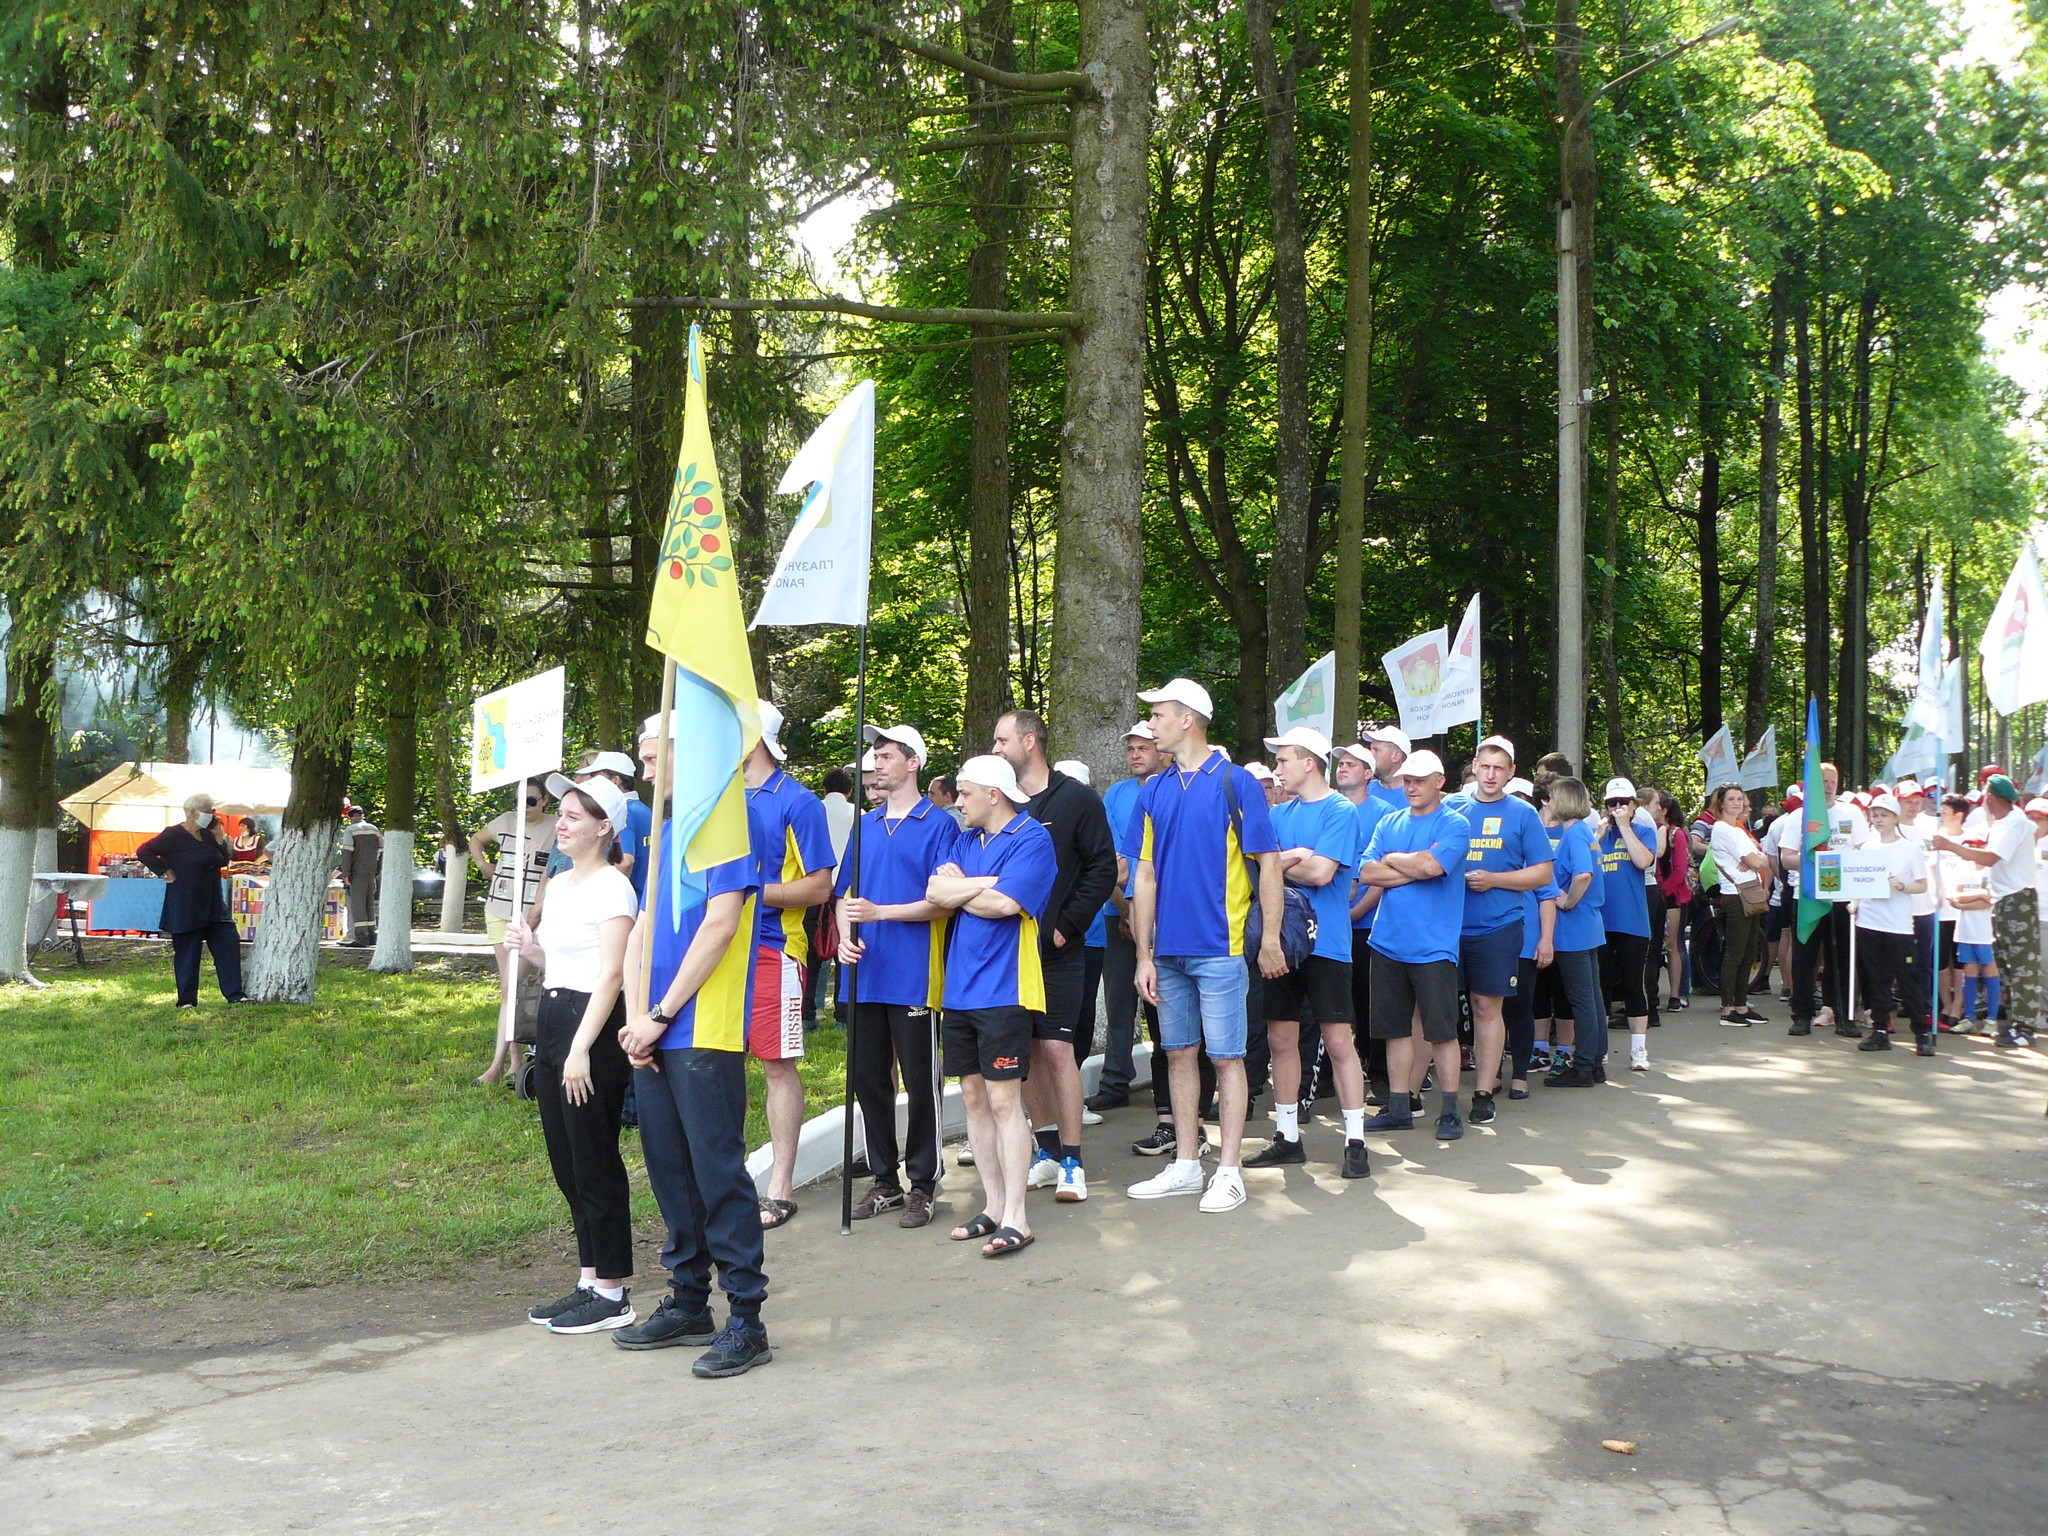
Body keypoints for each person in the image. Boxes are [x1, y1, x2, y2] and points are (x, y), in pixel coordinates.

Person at [612, 720, 772, 1378]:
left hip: (699, 1026)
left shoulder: (727, 824)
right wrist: (633, 1022)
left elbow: (721, 924)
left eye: (655, 759)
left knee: (716, 1173)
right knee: (670, 1169)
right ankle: (687, 1299)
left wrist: (660, 1013)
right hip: (653, 1029)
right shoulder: (669, 833)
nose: (647, 773)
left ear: (689, 753)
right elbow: (645, 929)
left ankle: (746, 1317)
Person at [1123, 678, 1285, 1214]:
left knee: (1228, 1059)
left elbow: (1270, 866)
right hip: (1167, 952)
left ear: (1187, 718)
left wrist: (1270, 940)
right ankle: (1188, 1165)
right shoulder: (1153, 790)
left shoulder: (1235, 784)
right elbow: (1143, 875)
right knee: (1179, 1055)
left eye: (1159, 715)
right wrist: (1143, 954)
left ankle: (1229, 1170)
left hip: (1221, 946)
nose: (1151, 725)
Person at [510, 772, 642, 1333]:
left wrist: (583, 1049)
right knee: (566, 1161)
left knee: (594, 1158)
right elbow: (560, 967)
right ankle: (589, 1277)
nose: (559, 824)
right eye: (559, 813)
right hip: (556, 1020)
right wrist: (530, 949)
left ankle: (613, 1291)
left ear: (603, 827)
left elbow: (611, 974)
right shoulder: (560, 884)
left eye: (572, 816)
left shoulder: (614, 887)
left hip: (594, 1028)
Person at [924, 755, 1059, 1257]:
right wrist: (985, 884)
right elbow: (936, 891)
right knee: (975, 1101)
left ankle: (1018, 1218)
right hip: (959, 991)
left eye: (964, 793)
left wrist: (971, 889)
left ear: (993, 794)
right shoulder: (966, 840)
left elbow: (1006, 906)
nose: (957, 802)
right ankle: (994, 1207)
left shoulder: (1032, 839)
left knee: (1005, 1103)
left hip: (1005, 991)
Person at [990, 712, 1115, 1202]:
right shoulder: (1005, 805)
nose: (996, 748)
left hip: (1060, 953)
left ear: (1029, 741)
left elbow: (1103, 868)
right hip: (1011, 954)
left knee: (1060, 1050)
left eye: (1002, 741)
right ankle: (1042, 1151)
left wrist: (1065, 927)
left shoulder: (1078, 799)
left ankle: (1071, 1160)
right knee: (1029, 1055)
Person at [836, 724, 954, 1227]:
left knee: (920, 1078)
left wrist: (881, 914)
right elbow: (846, 894)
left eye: (886, 756)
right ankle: (884, 1178)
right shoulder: (863, 825)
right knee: (868, 1079)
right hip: (864, 973)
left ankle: (924, 1181)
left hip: (914, 974)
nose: (875, 764)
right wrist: (843, 933)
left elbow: (942, 902)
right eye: (874, 756)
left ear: (913, 763)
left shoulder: (940, 825)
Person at [1243, 728, 1369, 1177]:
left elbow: (1319, 873)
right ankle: (1288, 1137)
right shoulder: (1280, 814)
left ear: (1309, 762)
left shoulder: (1340, 810)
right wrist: (1293, 856)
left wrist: (1286, 859)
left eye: (1284, 760)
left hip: (1329, 944)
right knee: (1281, 1039)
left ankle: (1356, 1141)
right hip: (1280, 940)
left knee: (1338, 1041)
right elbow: (1260, 871)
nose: (1277, 770)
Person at [741, 700, 837, 1230]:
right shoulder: (721, 798)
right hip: (720, 946)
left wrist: (750, 895)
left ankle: (780, 1186)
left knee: (777, 1065)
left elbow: (821, 886)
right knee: (718, 1062)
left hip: (776, 948)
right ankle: (730, 1180)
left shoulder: (799, 802)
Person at [1355, 749, 1474, 1138]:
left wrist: (1396, 861)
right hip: (1387, 942)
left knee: (1441, 1031)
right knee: (1394, 1030)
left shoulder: (1454, 823)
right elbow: (1367, 871)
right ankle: (1398, 1106)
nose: (1411, 786)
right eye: (1407, 780)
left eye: (1420, 780)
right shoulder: (1390, 820)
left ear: (1439, 782)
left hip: (1434, 945)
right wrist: (1412, 866)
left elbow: (1433, 867)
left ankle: (1452, 1110)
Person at [1444, 735, 1555, 1119]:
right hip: (1446, 925)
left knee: (1486, 1007)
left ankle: (1483, 1094)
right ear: (1474, 766)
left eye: (1499, 768)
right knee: (1437, 1010)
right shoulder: (1450, 806)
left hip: (1498, 926)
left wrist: (1495, 879)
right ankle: (1412, 1095)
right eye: (1485, 766)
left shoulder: (1523, 815)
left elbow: (1543, 873)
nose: (1490, 775)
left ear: (1511, 773)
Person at [1090, 725, 1167, 1122]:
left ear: (1162, 749)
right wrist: (1125, 910)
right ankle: (1115, 1082)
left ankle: (1169, 1087)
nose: (1135, 754)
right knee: (1120, 1002)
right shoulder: (1117, 794)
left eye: (1143, 747)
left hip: (1162, 915)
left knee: (1162, 1005)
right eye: (1131, 749)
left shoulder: (1172, 788)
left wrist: (1142, 915)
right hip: (1116, 910)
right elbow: (1110, 858)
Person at [1935, 775, 2040, 1048]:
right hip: (2003, 901)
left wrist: (1951, 846)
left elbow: (1991, 858)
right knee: (2007, 965)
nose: (1984, 800)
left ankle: (2025, 1027)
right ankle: (2016, 1023)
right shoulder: (2004, 823)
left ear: (1991, 796)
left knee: (2021, 967)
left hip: (2017, 901)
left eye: (1986, 795)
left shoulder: (2014, 823)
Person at [469, 785, 559, 1085]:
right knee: (509, 988)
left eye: (531, 801)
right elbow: (476, 840)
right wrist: (483, 865)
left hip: (530, 917)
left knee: (513, 986)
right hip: (498, 910)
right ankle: (513, 1059)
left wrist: (538, 913)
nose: (525, 807)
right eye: (520, 801)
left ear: (545, 801)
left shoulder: (557, 826)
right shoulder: (505, 821)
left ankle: (498, 1066)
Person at [1336, 738, 1408, 1103]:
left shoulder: (1384, 813)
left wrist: (1356, 912)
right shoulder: (1329, 808)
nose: (1343, 767)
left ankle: (1380, 1080)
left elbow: (1384, 870)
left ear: (1368, 774)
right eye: (1340, 763)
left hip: (1369, 926)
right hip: (1331, 927)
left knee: (1372, 1007)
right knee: (1338, 1006)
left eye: (1352, 763)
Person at [136, 794, 248, 1008]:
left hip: (214, 903)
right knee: (188, 953)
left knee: (228, 944)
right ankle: (186, 1000)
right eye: (208, 810)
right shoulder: (173, 835)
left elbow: (222, 860)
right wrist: (164, 871)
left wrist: (219, 838)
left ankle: (235, 995)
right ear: (195, 812)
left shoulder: (208, 835)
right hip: (185, 903)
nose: (212, 814)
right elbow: (144, 851)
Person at [1539, 777, 1609, 1086]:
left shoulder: (1574, 836)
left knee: (1582, 999)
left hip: (1573, 928)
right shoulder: (1586, 833)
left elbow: (1583, 873)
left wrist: (1566, 901)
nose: (1549, 803)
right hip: (1589, 925)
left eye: (1552, 798)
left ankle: (1582, 1065)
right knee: (1592, 997)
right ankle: (1594, 1060)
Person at [1853, 793, 1932, 1055]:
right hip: (1869, 921)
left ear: (1895, 817)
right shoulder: (1866, 847)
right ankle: (1879, 1031)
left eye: (1883, 814)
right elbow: (1859, 880)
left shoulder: (1910, 849)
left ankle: (1922, 1033)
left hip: (1898, 925)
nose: (1878, 820)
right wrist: (1854, 901)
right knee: (1876, 979)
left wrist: (1902, 885)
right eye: (1874, 815)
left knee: (1908, 979)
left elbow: (1922, 884)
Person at [1595, 779, 1660, 1067]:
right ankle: (1600, 1046)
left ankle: (1639, 1049)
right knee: (1601, 985)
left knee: (1634, 984)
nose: (1618, 807)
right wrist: (1597, 835)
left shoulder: (1644, 831)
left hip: (1632, 920)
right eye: (1613, 803)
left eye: (1624, 802)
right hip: (1600, 920)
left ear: (1634, 805)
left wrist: (1624, 828)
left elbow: (1643, 860)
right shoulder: (1598, 833)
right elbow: (1581, 865)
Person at [1705, 785, 1771, 1029]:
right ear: (1720, 803)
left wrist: (1756, 860)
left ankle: (1741, 1004)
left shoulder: (1739, 830)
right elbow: (1757, 860)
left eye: (1739, 799)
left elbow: (1761, 859)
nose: (1736, 803)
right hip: (1735, 895)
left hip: (1750, 893)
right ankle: (1727, 1007)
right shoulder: (1723, 828)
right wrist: (1755, 860)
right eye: (1731, 799)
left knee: (1748, 951)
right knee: (1735, 952)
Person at [574, 749, 652, 898]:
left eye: (597, 777)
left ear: (615, 780)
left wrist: (603, 896)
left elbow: (624, 861)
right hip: (644, 899)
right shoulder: (642, 810)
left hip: (628, 901)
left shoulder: (624, 811)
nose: (592, 781)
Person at [1651, 789, 1692, 1011]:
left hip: (1672, 897)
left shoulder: (1675, 834)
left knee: (1673, 945)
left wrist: (1663, 892)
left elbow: (1679, 870)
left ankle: (1676, 994)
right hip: (1658, 895)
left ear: (1664, 810)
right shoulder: (1652, 831)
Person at [336, 801, 382, 947]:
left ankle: (361, 937)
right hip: (371, 871)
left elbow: (347, 852)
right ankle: (371, 935)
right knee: (369, 902)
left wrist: (346, 873)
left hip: (357, 871)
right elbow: (382, 851)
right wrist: (377, 870)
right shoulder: (375, 829)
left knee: (357, 904)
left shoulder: (351, 830)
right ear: (362, 815)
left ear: (350, 817)